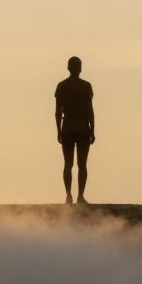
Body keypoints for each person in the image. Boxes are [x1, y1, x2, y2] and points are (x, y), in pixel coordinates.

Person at [55, 56, 95, 205]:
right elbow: (90, 110)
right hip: (83, 127)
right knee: (82, 164)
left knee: (68, 164)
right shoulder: (86, 86)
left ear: (68, 68)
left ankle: (69, 195)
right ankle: (80, 196)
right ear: (80, 68)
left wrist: (58, 130)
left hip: (68, 128)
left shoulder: (61, 86)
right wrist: (92, 130)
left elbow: (57, 112)